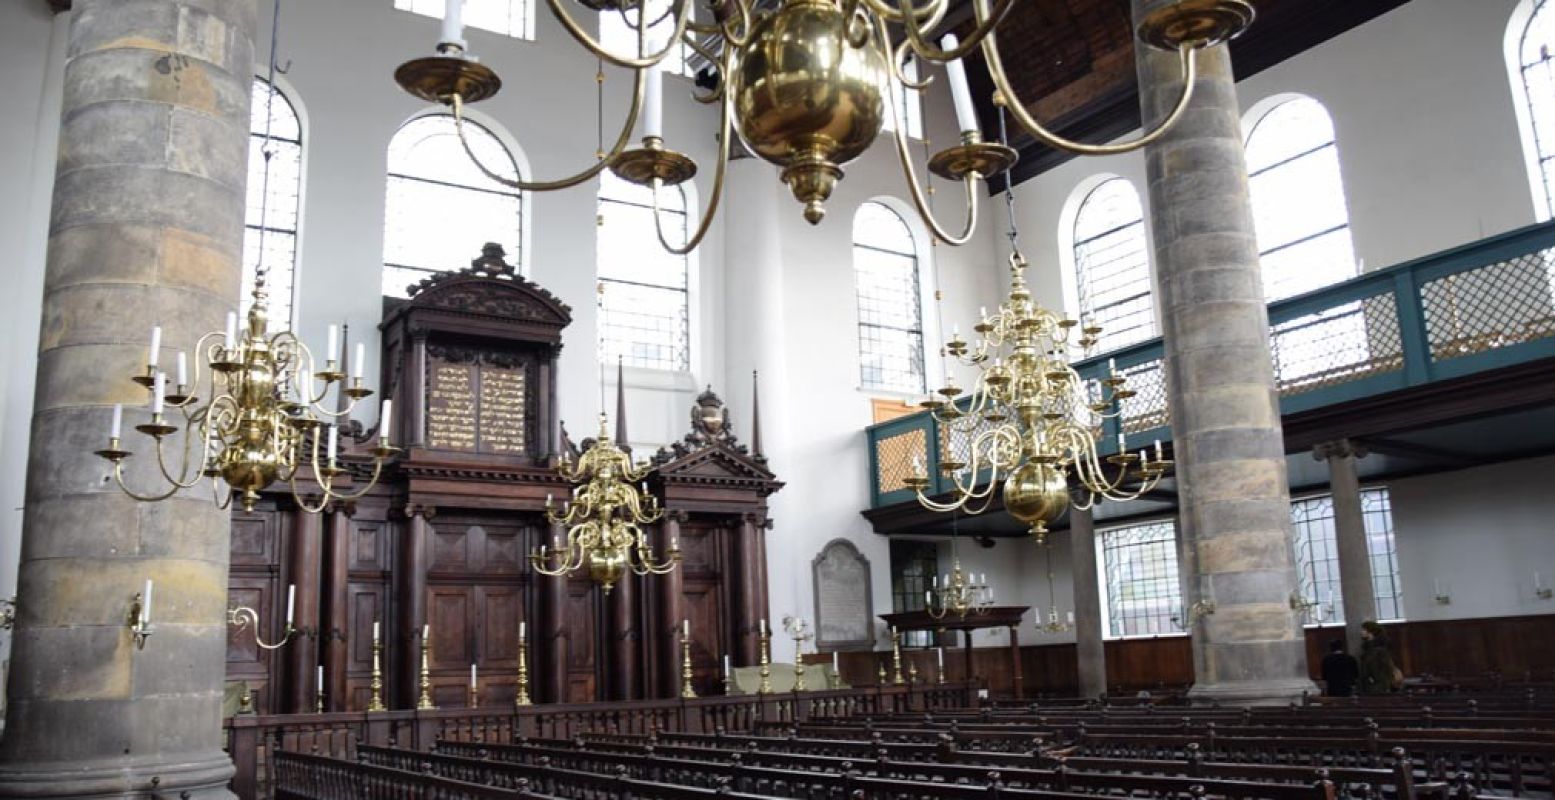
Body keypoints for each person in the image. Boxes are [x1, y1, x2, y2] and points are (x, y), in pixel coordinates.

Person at [1358, 620, 1401, 695]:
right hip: (1368, 687)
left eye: (1363, 630)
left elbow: (1387, 669)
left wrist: (1375, 681)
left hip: (1378, 688)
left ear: (1371, 632)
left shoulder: (1380, 650)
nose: (1361, 632)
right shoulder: (1367, 649)